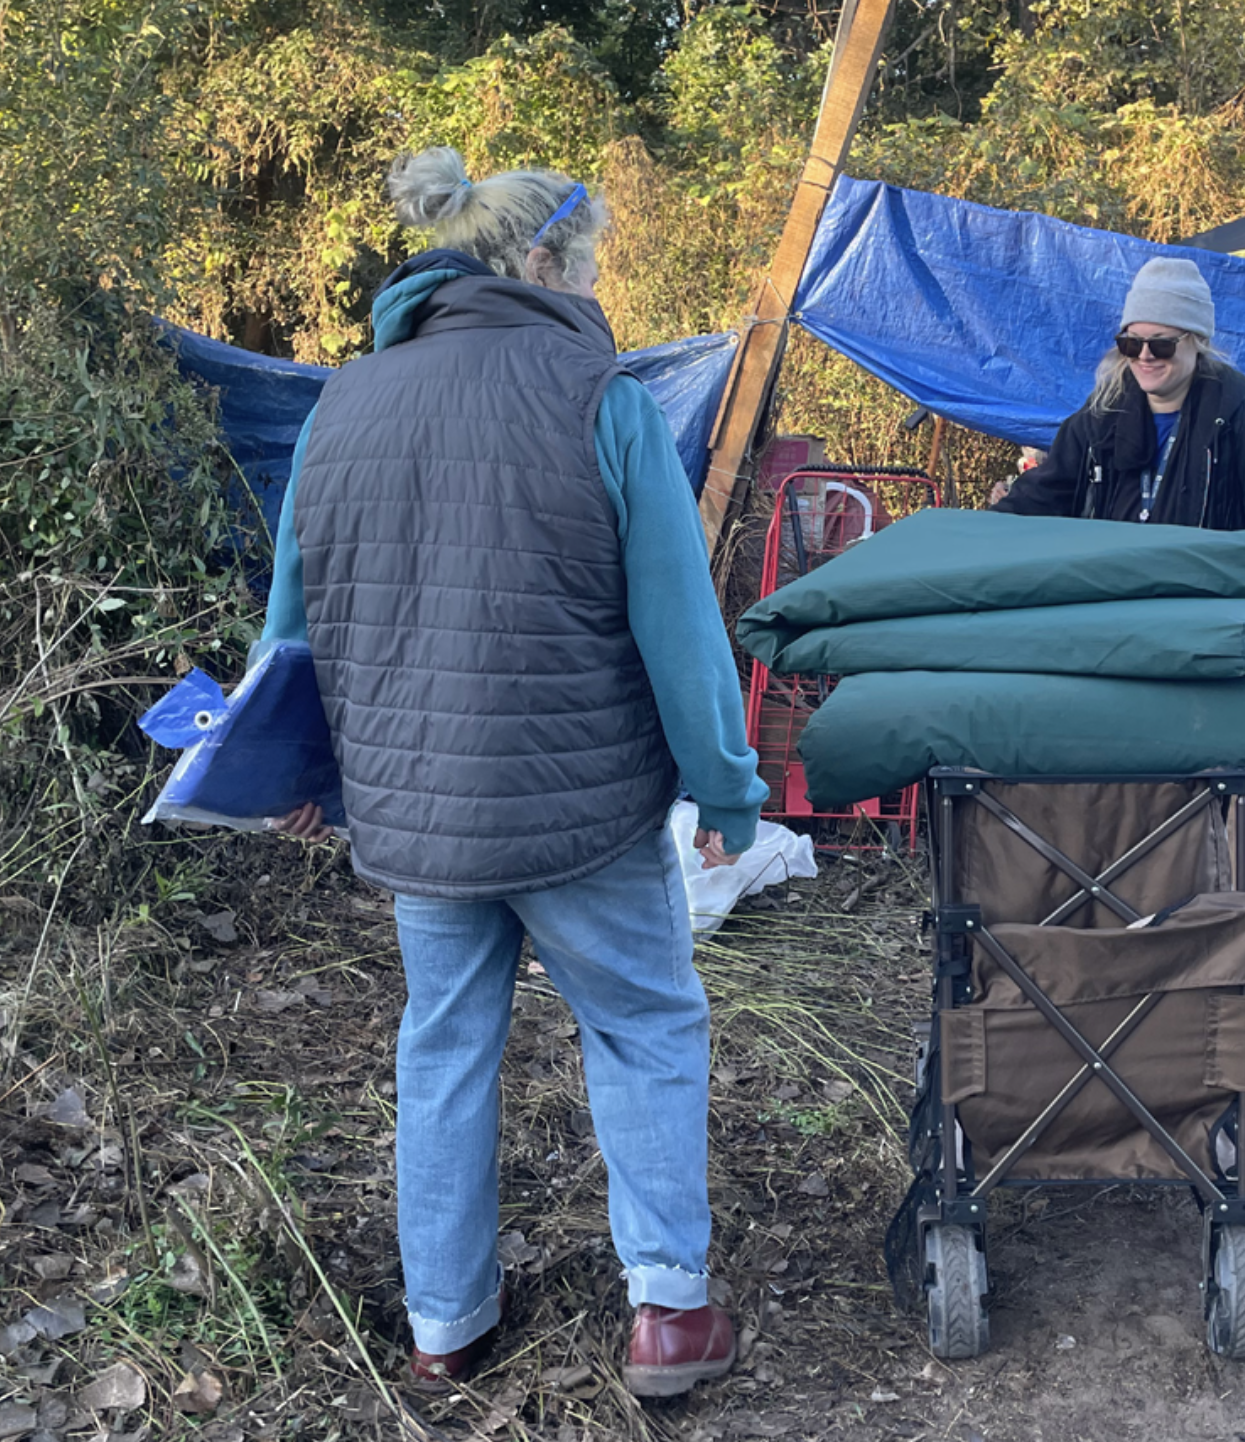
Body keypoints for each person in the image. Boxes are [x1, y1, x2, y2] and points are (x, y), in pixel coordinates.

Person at [260, 145, 767, 1398]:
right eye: (588, 259)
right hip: (579, 806)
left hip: (416, 815)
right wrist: (727, 788)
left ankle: (445, 1324)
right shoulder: (604, 398)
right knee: (644, 1024)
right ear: (545, 262)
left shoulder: (343, 402)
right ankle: (668, 1316)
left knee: (441, 1045)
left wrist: (299, 772)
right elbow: (680, 627)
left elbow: (292, 624)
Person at [990, 257, 1245, 577]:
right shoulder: (1097, 422)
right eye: (1131, 343)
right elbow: (1038, 501)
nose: (1145, 356)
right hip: (1108, 615)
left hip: (1201, 621)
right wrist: (978, 534)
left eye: (1161, 344)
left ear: (1197, 342)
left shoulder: (1240, 425)